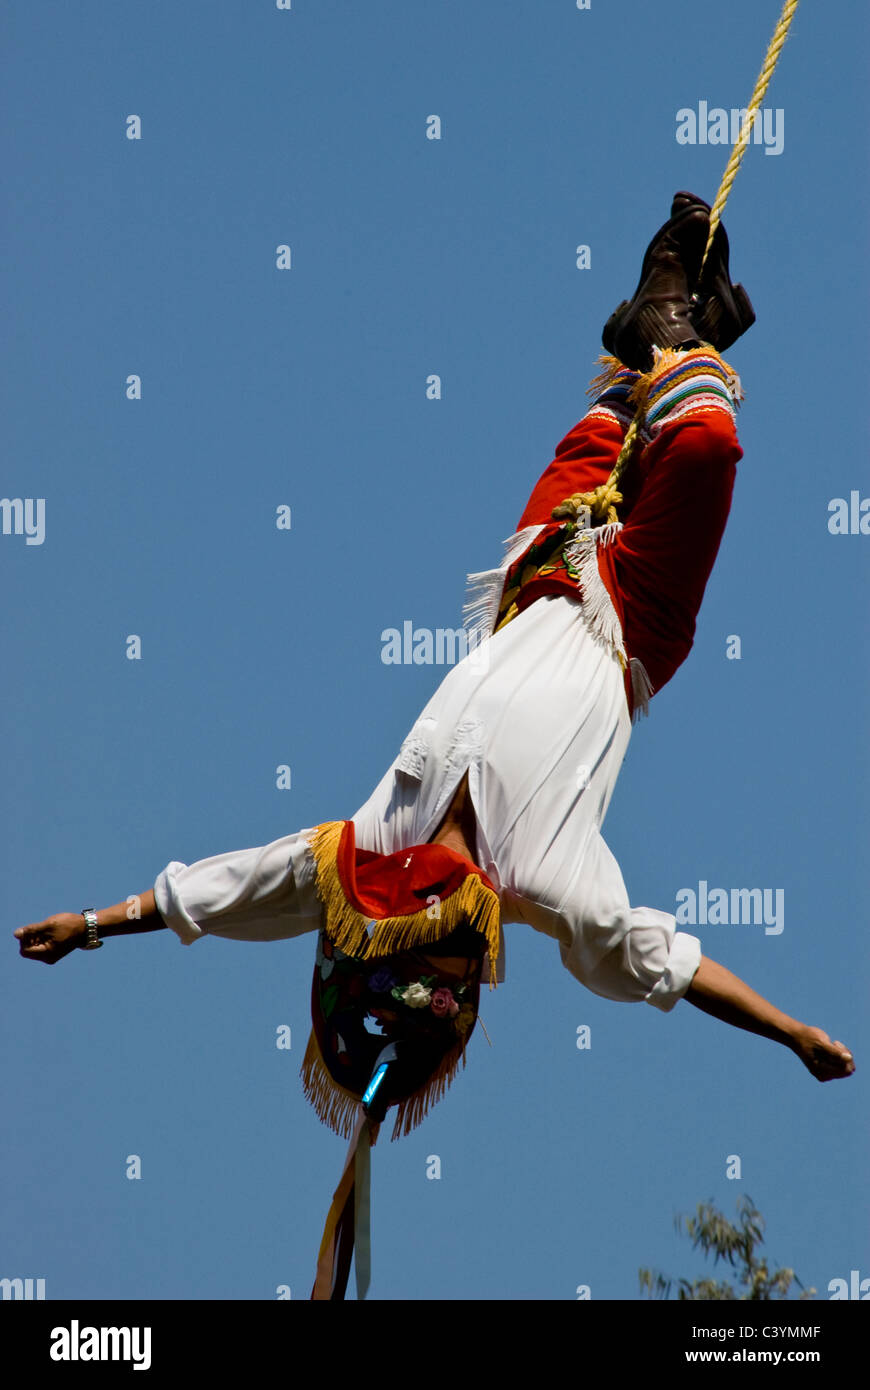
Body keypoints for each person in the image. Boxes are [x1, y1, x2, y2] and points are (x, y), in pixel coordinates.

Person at [14, 193, 854, 1087]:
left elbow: (226, 891)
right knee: (702, 446)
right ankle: (683, 340)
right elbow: (670, 966)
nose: (436, 895)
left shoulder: (364, 854)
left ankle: (669, 338)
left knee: (610, 425)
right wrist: (793, 1033)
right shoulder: (552, 886)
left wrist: (95, 923)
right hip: (630, 625)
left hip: (538, 576)